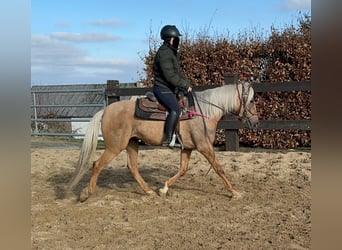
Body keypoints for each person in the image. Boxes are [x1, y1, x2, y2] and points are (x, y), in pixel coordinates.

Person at [152, 25, 193, 148]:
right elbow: (170, 76)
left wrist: (187, 84)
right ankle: (168, 138)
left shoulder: (172, 52)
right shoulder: (164, 54)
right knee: (175, 108)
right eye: (176, 39)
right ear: (170, 39)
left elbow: (177, 73)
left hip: (169, 88)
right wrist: (185, 85)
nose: (177, 41)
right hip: (162, 88)